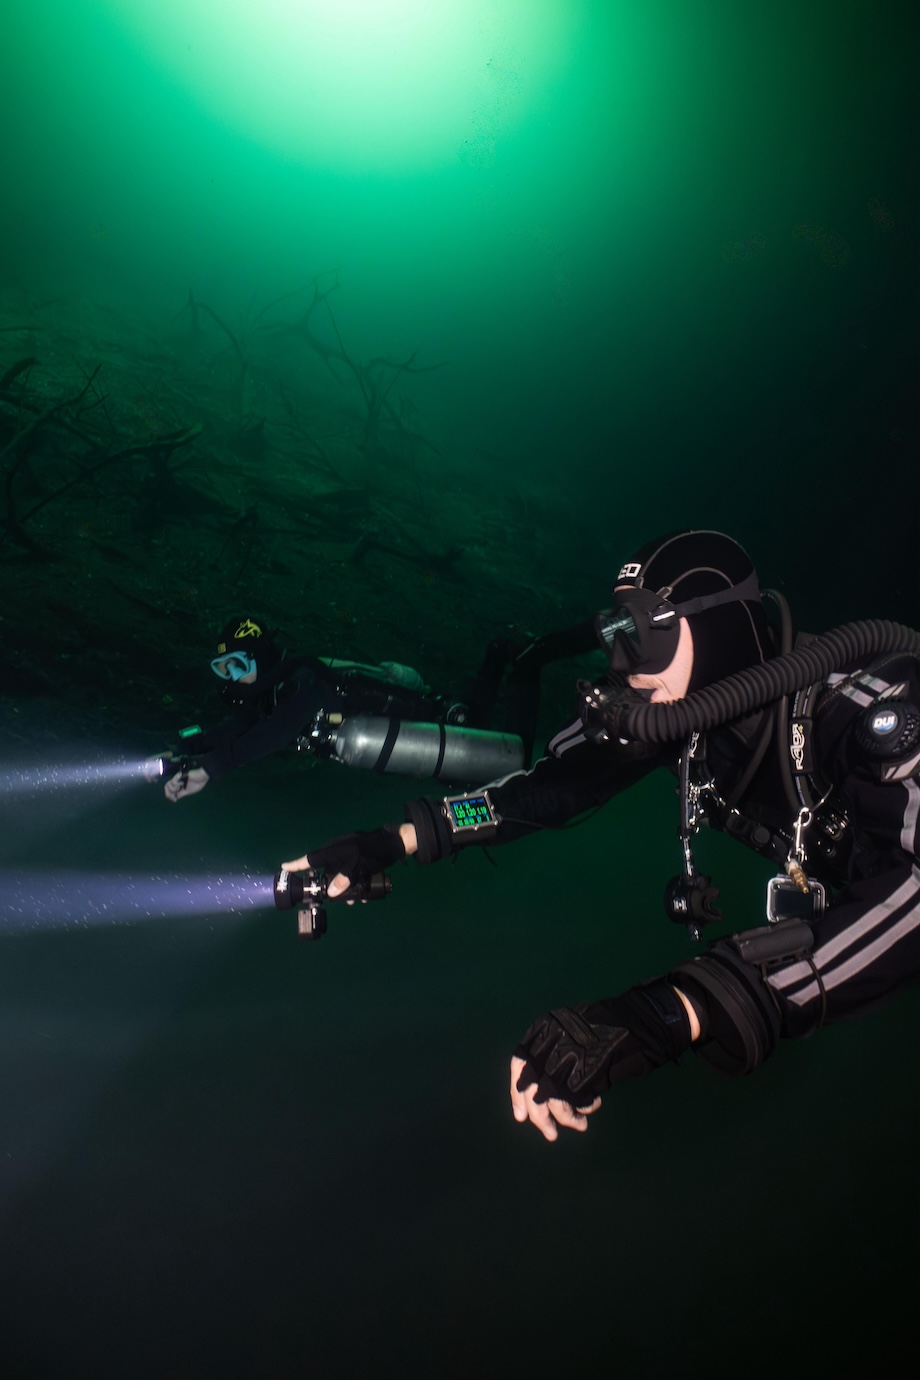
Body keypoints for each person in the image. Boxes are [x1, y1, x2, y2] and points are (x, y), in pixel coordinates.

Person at [278, 530, 920, 1141]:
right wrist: (396, 841)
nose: (623, 664)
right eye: (616, 635)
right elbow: (545, 787)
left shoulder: (864, 705)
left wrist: (674, 1010)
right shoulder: (670, 711)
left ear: (720, 627)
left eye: (644, 635)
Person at [162, 615, 599, 802]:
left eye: (238, 665)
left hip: (435, 723)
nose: (231, 678)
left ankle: (536, 655)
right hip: (421, 746)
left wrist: (212, 768)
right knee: (491, 747)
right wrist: (186, 751)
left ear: (261, 658)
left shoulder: (304, 682)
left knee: (518, 758)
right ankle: (500, 653)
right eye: (223, 670)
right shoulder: (272, 698)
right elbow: (236, 727)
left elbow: (273, 733)